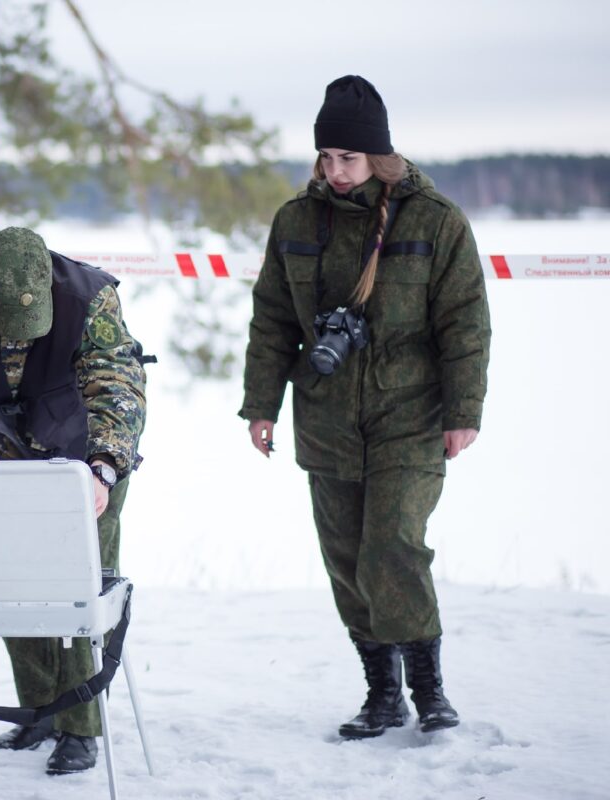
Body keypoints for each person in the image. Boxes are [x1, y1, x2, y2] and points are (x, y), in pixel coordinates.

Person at [239, 75, 491, 740]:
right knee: (348, 561)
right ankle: (383, 695)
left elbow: (466, 323)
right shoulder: (296, 222)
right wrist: (259, 405)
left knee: (393, 548)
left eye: (347, 158)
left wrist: (464, 410)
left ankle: (430, 689)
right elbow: (271, 320)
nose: (334, 170)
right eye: (326, 158)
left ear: (378, 156)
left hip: (411, 415)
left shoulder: (435, 223)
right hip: (325, 419)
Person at [0, 226, 147, 774]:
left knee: (79, 595)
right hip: (15, 454)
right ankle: (41, 711)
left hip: (90, 457)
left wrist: (104, 467)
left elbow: (118, 384)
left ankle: (80, 729)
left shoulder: (90, 298)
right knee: (12, 586)